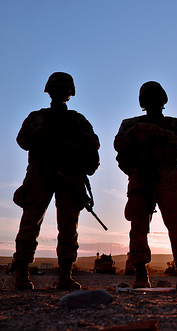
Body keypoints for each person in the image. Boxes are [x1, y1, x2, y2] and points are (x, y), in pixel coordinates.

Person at [13, 72, 100, 290]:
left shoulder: (77, 120)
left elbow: (93, 145)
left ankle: (64, 275)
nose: (60, 93)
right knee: (31, 222)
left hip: (69, 175)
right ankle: (23, 273)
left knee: (67, 226)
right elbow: (22, 140)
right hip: (42, 171)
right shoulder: (38, 118)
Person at [114, 81, 177, 289]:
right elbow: (118, 144)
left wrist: (155, 131)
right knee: (138, 227)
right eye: (148, 99)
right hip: (141, 177)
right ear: (143, 102)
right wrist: (137, 129)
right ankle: (141, 274)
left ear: (163, 101)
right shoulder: (130, 124)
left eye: (156, 98)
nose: (153, 102)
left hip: (170, 175)